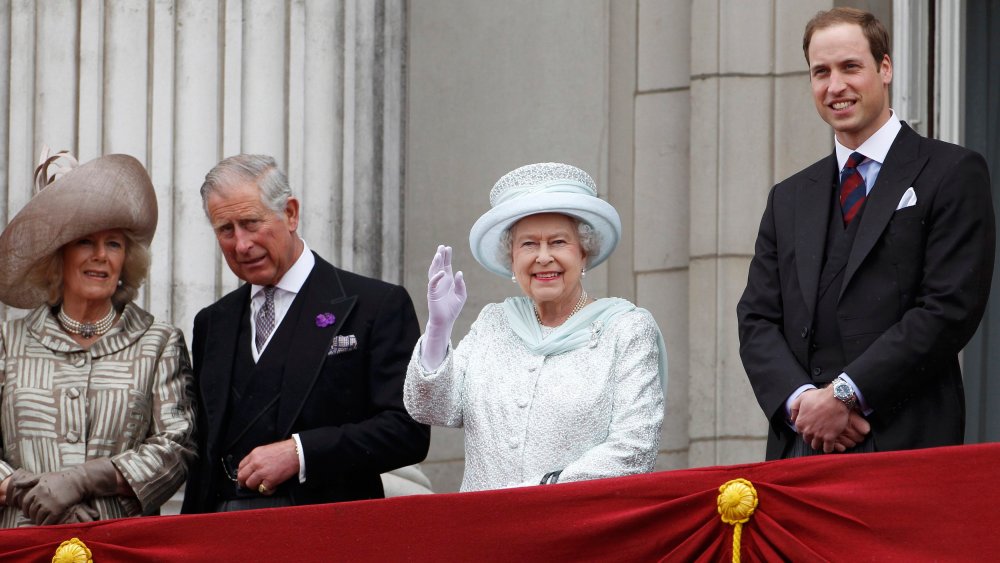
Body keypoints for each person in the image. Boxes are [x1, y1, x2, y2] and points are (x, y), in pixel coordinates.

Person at [737, 8, 995, 460]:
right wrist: (804, 404)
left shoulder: (953, 171)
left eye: (850, 67)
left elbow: (948, 308)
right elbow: (757, 319)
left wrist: (845, 394)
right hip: (801, 449)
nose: (835, 86)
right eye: (821, 72)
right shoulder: (788, 197)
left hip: (907, 445)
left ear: (886, 67)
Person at [181, 154, 430, 513]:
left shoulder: (375, 306)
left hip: (325, 528)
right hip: (221, 530)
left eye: (251, 223)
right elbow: (204, 453)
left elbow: (407, 432)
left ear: (291, 214)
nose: (241, 245)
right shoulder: (212, 322)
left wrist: (301, 452)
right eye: (225, 229)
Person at [404, 162, 666, 491]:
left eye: (558, 242)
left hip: (576, 528)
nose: (543, 257)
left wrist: (545, 488)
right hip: (485, 530)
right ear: (511, 260)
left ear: (584, 254)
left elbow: (635, 448)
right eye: (528, 245)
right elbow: (432, 409)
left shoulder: (625, 329)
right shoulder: (492, 324)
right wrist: (439, 329)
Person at [0, 150, 196, 526]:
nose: (100, 256)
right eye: (85, 242)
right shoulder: (9, 342)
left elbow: (177, 447)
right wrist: (23, 490)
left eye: (114, 244)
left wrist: (81, 480)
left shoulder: (158, 342)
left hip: (119, 542)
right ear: (57, 255)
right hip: (24, 543)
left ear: (127, 259)